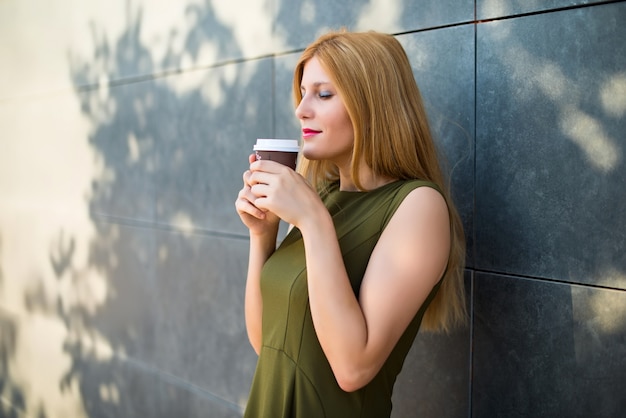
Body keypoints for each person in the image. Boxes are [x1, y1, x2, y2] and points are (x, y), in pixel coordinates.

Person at [235, 29, 466, 417]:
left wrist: (311, 220)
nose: (301, 109)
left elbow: (353, 367)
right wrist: (263, 234)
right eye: (303, 93)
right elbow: (267, 343)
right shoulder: (320, 198)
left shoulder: (418, 205)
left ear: (371, 105)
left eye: (323, 94)